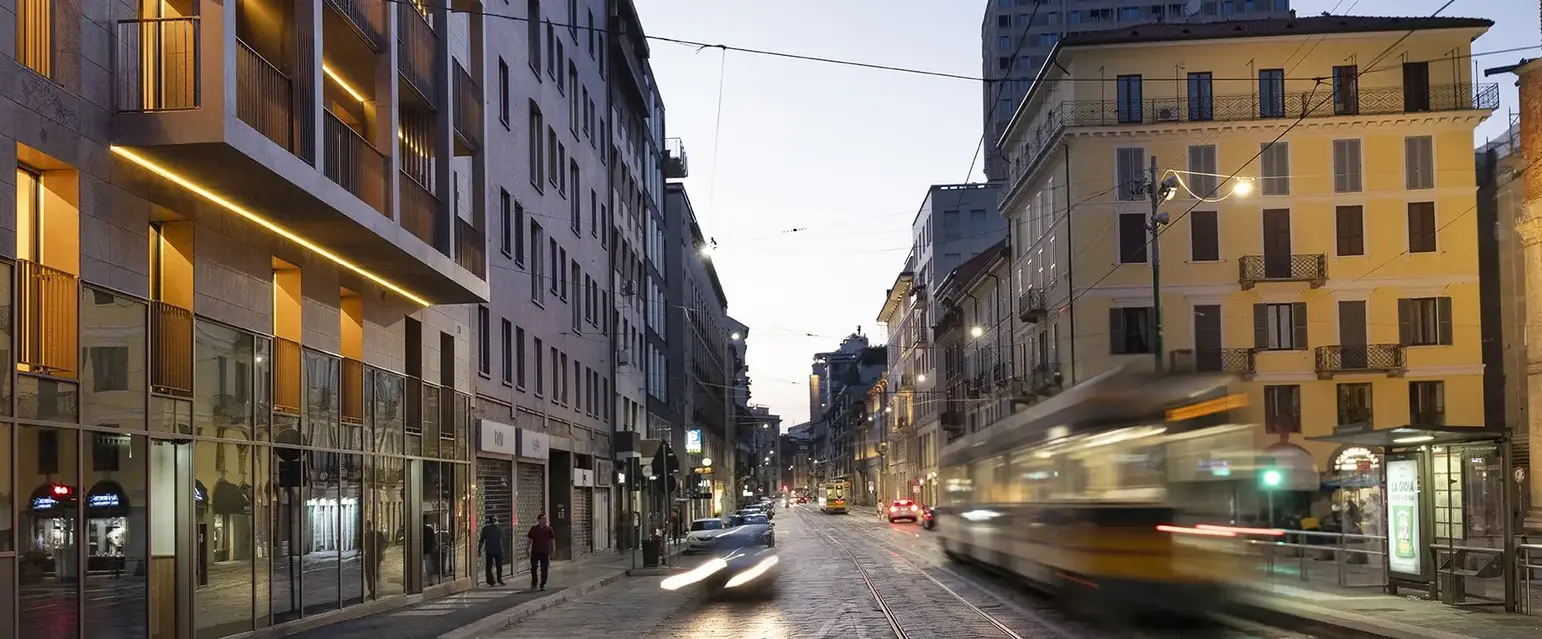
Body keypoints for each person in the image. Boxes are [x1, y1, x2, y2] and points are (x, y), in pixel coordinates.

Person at [526, 513, 556, 591]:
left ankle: (542, 584)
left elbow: (552, 540)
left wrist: (553, 550)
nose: (544, 520)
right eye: (542, 518)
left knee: (544, 569)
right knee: (533, 568)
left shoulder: (549, 529)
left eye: (545, 518)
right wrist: (527, 548)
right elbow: (530, 539)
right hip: (535, 552)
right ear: (539, 520)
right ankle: (534, 582)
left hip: (545, 552)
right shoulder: (534, 529)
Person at [479, 515, 506, 586]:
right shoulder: (500, 529)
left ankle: (491, 581)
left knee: (489, 566)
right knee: (499, 566)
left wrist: (479, 549)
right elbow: (503, 540)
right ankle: (499, 580)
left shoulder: (486, 529)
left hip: (490, 550)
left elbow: (481, 540)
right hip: (498, 550)